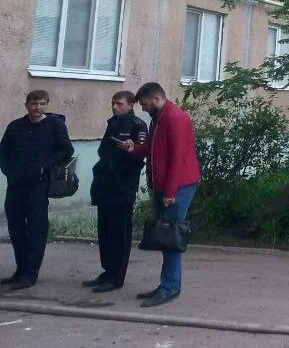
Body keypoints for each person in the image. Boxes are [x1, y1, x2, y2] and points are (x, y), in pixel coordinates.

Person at [122, 82, 201, 307]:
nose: (144, 109)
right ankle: (166, 284)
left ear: (157, 99)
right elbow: (152, 149)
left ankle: (170, 287)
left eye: (145, 105)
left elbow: (178, 157)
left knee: (171, 237)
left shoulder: (175, 118)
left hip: (177, 187)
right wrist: (133, 149)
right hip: (165, 186)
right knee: (165, 235)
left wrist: (170, 191)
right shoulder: (158, 119)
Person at [0, 90, 73, 290]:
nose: (38, 107)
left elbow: (66, 150)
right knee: (16, 228)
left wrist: (45, 166)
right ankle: (20, 269)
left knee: (36, 230)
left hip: (38, 186)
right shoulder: (15, 127)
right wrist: (8, 171)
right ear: (26, 105)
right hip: (15, 185)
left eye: (42, 103)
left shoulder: (55, 125)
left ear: (46, 104)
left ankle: (30, 273)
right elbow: (3, 151)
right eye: (34, 103)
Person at [83, 91, 148, 293]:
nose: (114, 106)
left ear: (131, 105)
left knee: (119, 233)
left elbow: (138, 157)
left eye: (119, 103)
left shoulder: (137, 126)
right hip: (105, 186)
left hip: (122, 188)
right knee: (105, 231)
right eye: (113, 103)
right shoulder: (113, 123)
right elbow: (104, 153)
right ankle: (107, 271)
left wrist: (126, 155)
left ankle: (116, 276)